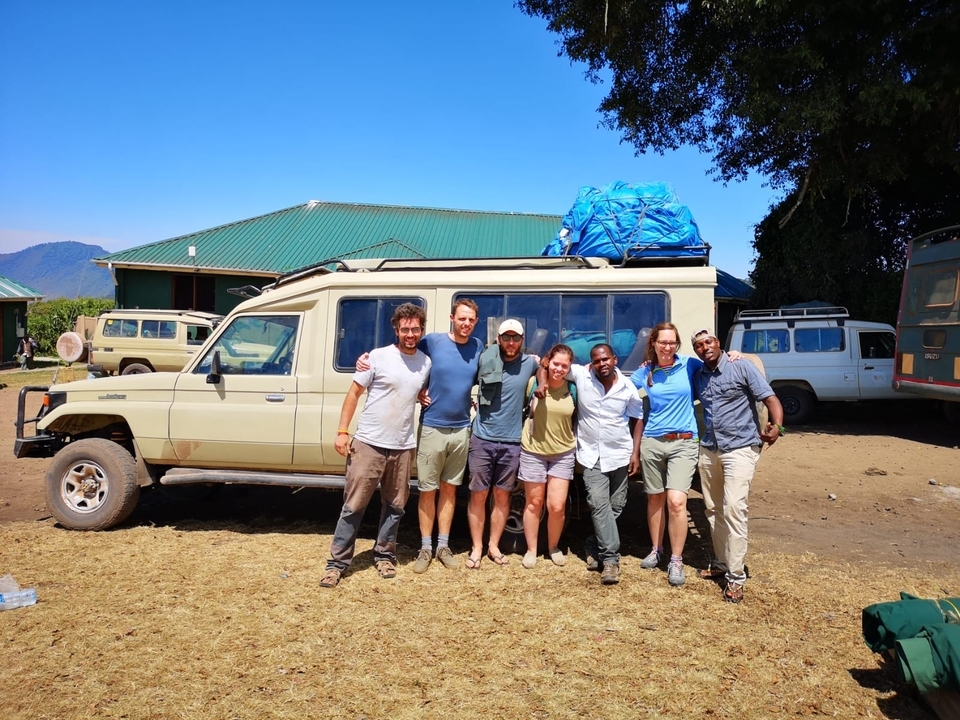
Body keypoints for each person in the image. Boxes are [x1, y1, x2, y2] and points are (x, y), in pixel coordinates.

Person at [362, 299, 484, 572]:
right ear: (452, 318)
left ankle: (443, 545)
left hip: (462, 428)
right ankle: (425, 548)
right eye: (461, 318)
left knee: (450, 490)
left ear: (476, 322)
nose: (466, 323)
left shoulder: (478, 347)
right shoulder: (432, 342)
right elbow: (405, 356)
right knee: (428, 491)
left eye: (471, 320)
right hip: (432, 427)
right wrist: (365, 357)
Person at [319, 303, 431, 588]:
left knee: (395, 507)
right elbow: (354, 393)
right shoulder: (377, 357)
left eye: (415, 329)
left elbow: (416, 390)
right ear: (396, 329)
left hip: (403, 446)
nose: (410, 334)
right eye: (404, 329)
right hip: (369, 443)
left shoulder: (425, 362)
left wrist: (422, 396)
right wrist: (342, 431)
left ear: (422, 329)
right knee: (354, 505)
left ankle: (384, 554)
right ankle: (337, 563)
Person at [691, 327, 784, 604]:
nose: (705, 347)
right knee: (712, 508)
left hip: (740, 448)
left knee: (734, 509)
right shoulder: (699, 375)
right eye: (699, 345)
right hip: (710, 449)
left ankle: (735, 577)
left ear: (718, 343)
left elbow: (770, 398)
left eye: (709, 341)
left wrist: (777, 426)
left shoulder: (740, 366)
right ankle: (721, 563)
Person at [629, 322, 702, 587]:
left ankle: (676, 559)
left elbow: (715, 362)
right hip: (652, 441)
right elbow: (620, 388)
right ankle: (656, 549)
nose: (668, 347)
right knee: (655, 499)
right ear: (654, 344)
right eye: (663, 342)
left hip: (684, 441)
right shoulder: (646, 372)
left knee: (676, 501)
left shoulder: (689, 365)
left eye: (672, 342)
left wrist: (734, 356)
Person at [566, 344, 644, 585]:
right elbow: (551, 364)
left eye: (605, 359)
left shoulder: (627, 387)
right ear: (591, 363)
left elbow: (637, 417)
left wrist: (635, 452)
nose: (602, 364)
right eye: (597, 361)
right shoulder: (581, 375)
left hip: (619, 454)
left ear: (615, 359)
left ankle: (592, 544)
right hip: (591, 455)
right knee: (599, 505)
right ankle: (610, 560)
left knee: (616, 506)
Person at [464, 319, 538, 569]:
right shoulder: (484, 360)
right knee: (478, 495)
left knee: (502, 496)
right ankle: (476, 547)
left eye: (515, 338)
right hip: (482, 438)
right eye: (506, 337)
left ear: (522, 340)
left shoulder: (530, 363)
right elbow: (459, 377)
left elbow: (555, 368)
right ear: (498, 339)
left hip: (512, 442)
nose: (510, 342)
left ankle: (493, 546)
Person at [519, 343, 577, 569]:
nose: (559, 369)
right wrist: (541, 381)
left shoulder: (572, 388)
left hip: (563, 453)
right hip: (533, 450)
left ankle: (553, 546)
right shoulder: (534, 383)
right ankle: (531, 549)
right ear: (548, 362)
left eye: (564, 366)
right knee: (534, 503)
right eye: (556, 364)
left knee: (557, 506)